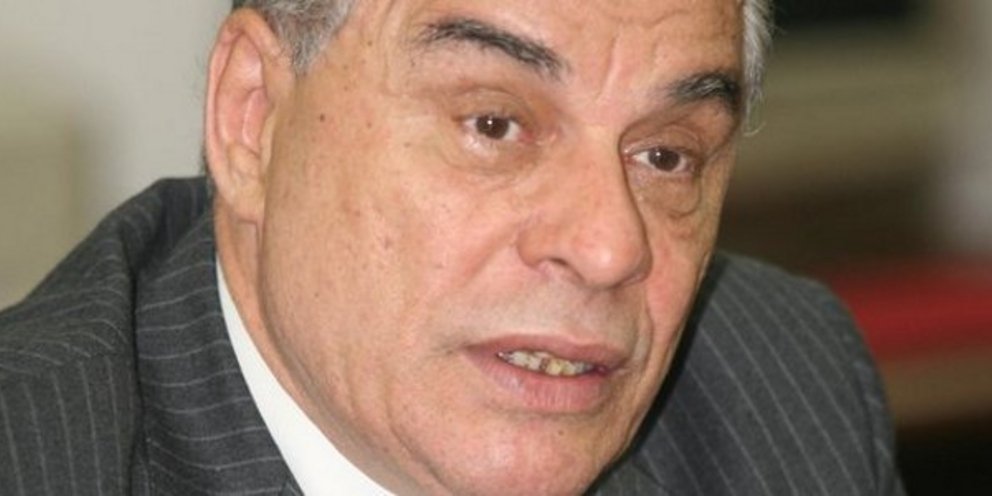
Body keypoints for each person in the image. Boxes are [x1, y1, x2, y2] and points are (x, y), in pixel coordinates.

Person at [0, 0, 905, 494]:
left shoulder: (787, 392)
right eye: (495, 124)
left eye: (665, 155)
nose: (606, 247)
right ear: (255, 119)